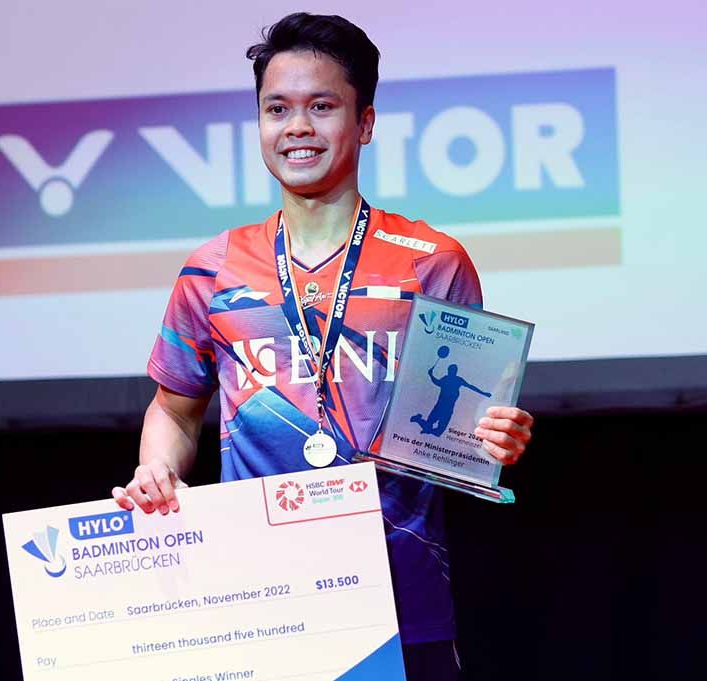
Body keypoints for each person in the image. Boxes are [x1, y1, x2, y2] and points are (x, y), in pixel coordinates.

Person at [112, 12, 534, 679]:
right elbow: (174, 408)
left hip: (401, 598)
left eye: (321, 106)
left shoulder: (432, 262)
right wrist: (156, 469)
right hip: (256, 600)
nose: (297, 127)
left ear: (364, 122)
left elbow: (463, 430)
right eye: (277, 108)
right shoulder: (212, 268)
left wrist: (492, 439)